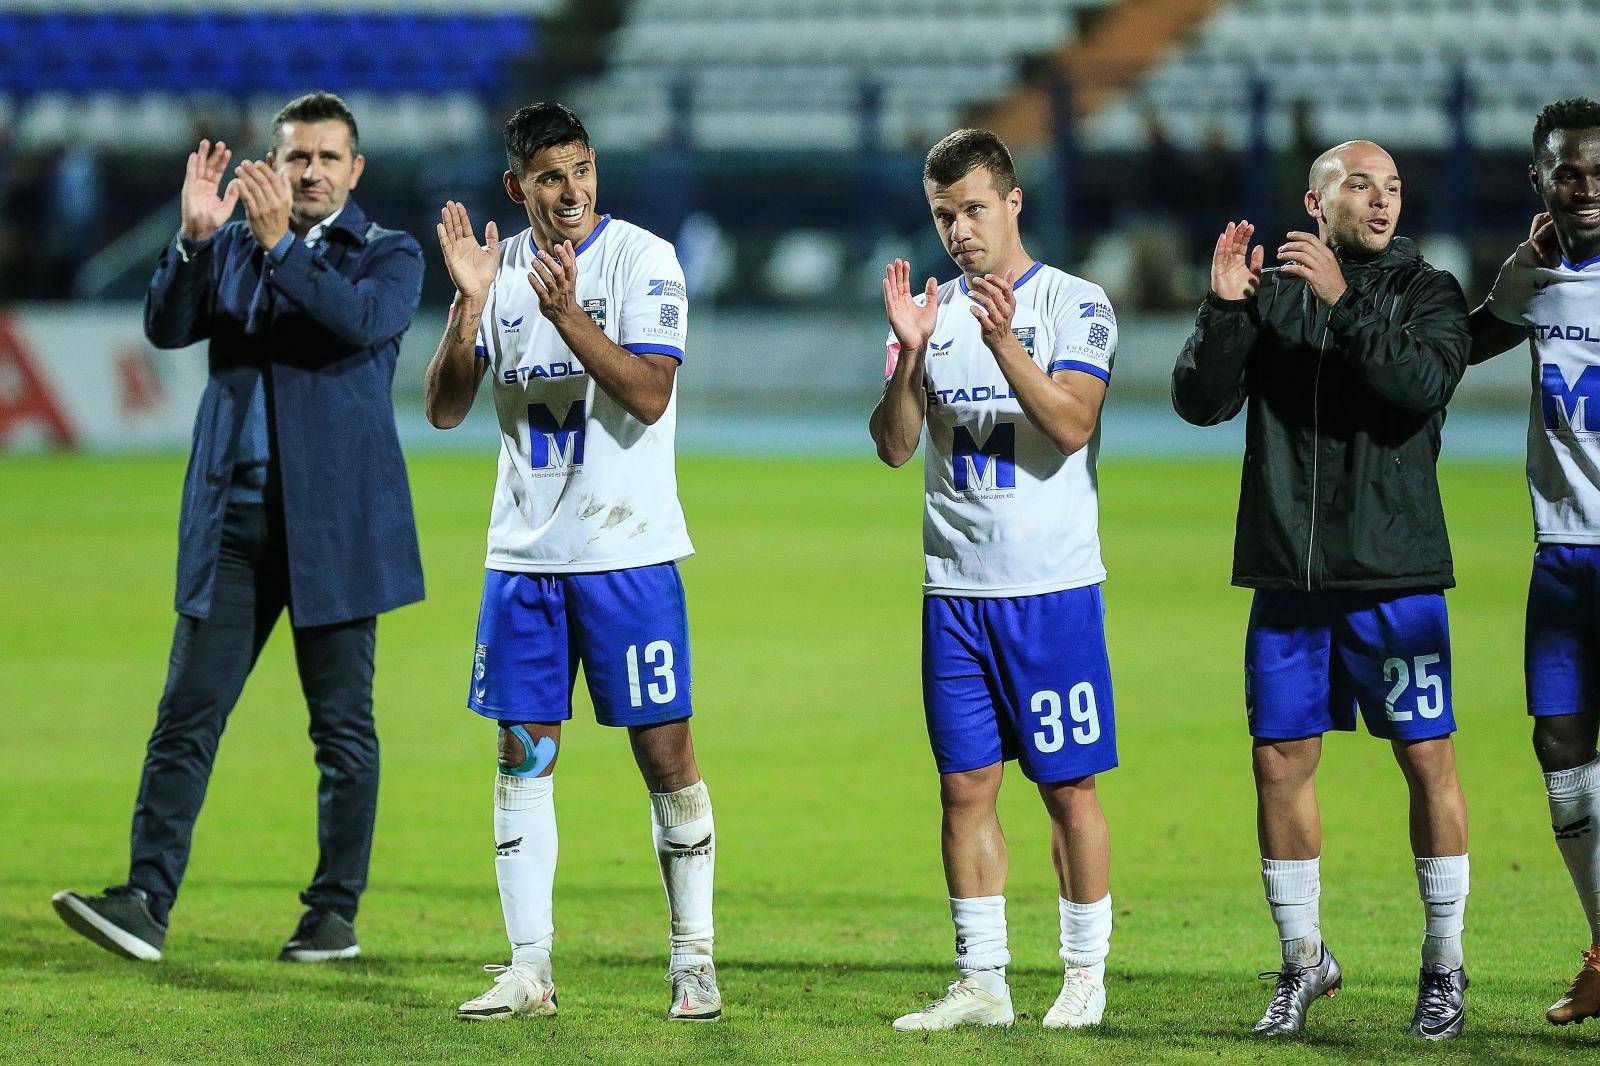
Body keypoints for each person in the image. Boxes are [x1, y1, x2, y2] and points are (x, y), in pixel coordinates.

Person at [51, 92, 426, 963]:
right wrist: (188, 241)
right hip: (233, 523)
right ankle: (145, 900)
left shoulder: (388, 255)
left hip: (331, 529)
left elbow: (356, 324)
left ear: (355, 170)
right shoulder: (228, 242)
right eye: (297, 156)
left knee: (341, 730)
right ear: (273, 161)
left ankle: (333, 915)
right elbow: (165, 327)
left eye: (329, 158)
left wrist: (278, 246)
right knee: (186, 713)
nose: (312, 172)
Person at [423, 102, 719, 1023]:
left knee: (665, 757)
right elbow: (442, 408)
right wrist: (469, 306)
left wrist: (570, 314)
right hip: (524, 560)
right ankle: (529, 970)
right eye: (550, 177)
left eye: (582, 169)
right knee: (522, 759)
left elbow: (650, 391)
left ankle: (694, 961)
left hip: (627, 556)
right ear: (517, 187)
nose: (572, 191)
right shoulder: (496, 270)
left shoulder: (643, 259)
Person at [1173, 140, 1473, 1040]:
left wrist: (1343, 307)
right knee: (1278, 763)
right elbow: (1199, 401)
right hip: (1290, 578)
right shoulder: (1272, 294)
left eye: (1392, 188)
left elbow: (1419, 382)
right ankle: (1304, 960)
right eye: (1359, 186)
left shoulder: (1431, 293)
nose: (1381, 202)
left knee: (1426, 761)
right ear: (1315, 201)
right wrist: (1224, 311)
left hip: (1396, 574)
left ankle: (1444, 965)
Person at [870, 129, 1120, 1033]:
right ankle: (982, 981)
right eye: (944, 215)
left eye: (974, 208)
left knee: (1068, 788)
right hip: (955, 596)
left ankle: (1084, 974)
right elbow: (897, 447)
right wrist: (910, 357)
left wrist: (1003, 340)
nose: (960, 230)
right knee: (964, 789)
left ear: (1014, 203)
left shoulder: (1075, 304)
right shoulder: (924, 315)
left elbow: (1071, 424)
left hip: (1050, 592)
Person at [1468, 96, 1600, 1027]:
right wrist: (1512, 279)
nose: (1586, 187)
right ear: (1539, 179)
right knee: (1559, 748)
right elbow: (1464, 347)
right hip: (1562, 554)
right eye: (1567, 170)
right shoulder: (1535, 277)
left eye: (1598, 170)